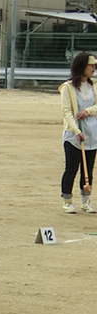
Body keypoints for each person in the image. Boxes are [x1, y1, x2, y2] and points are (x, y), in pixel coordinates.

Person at [59, 53, 97, 214]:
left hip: (92, 133)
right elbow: (66, 111)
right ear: (82, 67)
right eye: (91, 66)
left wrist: (88, 111)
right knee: (71, 168)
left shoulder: (94, 85)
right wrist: (76, 130)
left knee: (88, 169)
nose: (93, 68)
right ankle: (67, 200)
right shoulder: (68, 87)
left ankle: (86, 201)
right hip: (73, 135)